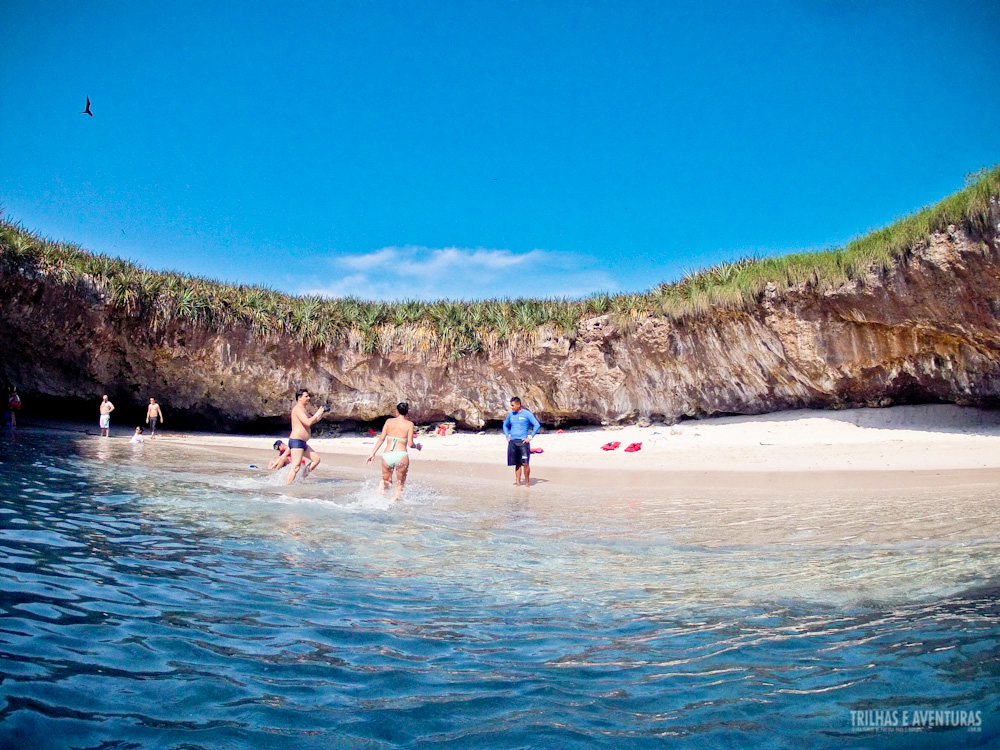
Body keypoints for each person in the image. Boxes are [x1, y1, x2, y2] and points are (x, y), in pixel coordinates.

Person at [367, 402, 422, 499]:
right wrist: (417, 446)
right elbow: (410, 444)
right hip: (401, 455)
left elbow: (381, 438)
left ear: (397, 411)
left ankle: (383, 483)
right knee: (399, 484)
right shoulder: (409, 424)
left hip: (388, 455)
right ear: (407, 412)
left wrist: (373, 453)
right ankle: (394, 503)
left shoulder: (388, 421)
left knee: (387, 481)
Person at [286, 389, 325, 484]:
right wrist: (317, 413)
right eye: (306, 396)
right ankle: (287, 488)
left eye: (308, 396)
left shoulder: (303, 409)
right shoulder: (297, 409)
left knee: (316, 460)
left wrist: (321, 414)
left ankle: (300, 479)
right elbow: (307, 422)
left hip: (302, 443)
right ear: (299, 398)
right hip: (296, 441)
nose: (308, 398)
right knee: (295, 467)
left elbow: (312, 420)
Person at [502, 396, 540, 487]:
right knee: (517, 464)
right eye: (511, 405)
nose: (512, 407)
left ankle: (527, 483)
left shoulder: (527, 414)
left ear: (519, 405)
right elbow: (505, 426)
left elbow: (536, 425)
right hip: (513, 442)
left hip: (523, 443)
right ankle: (518, 483)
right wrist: (507, 436)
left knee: (525, 463)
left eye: (513, 405)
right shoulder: (511, 415)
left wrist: (530, 437)